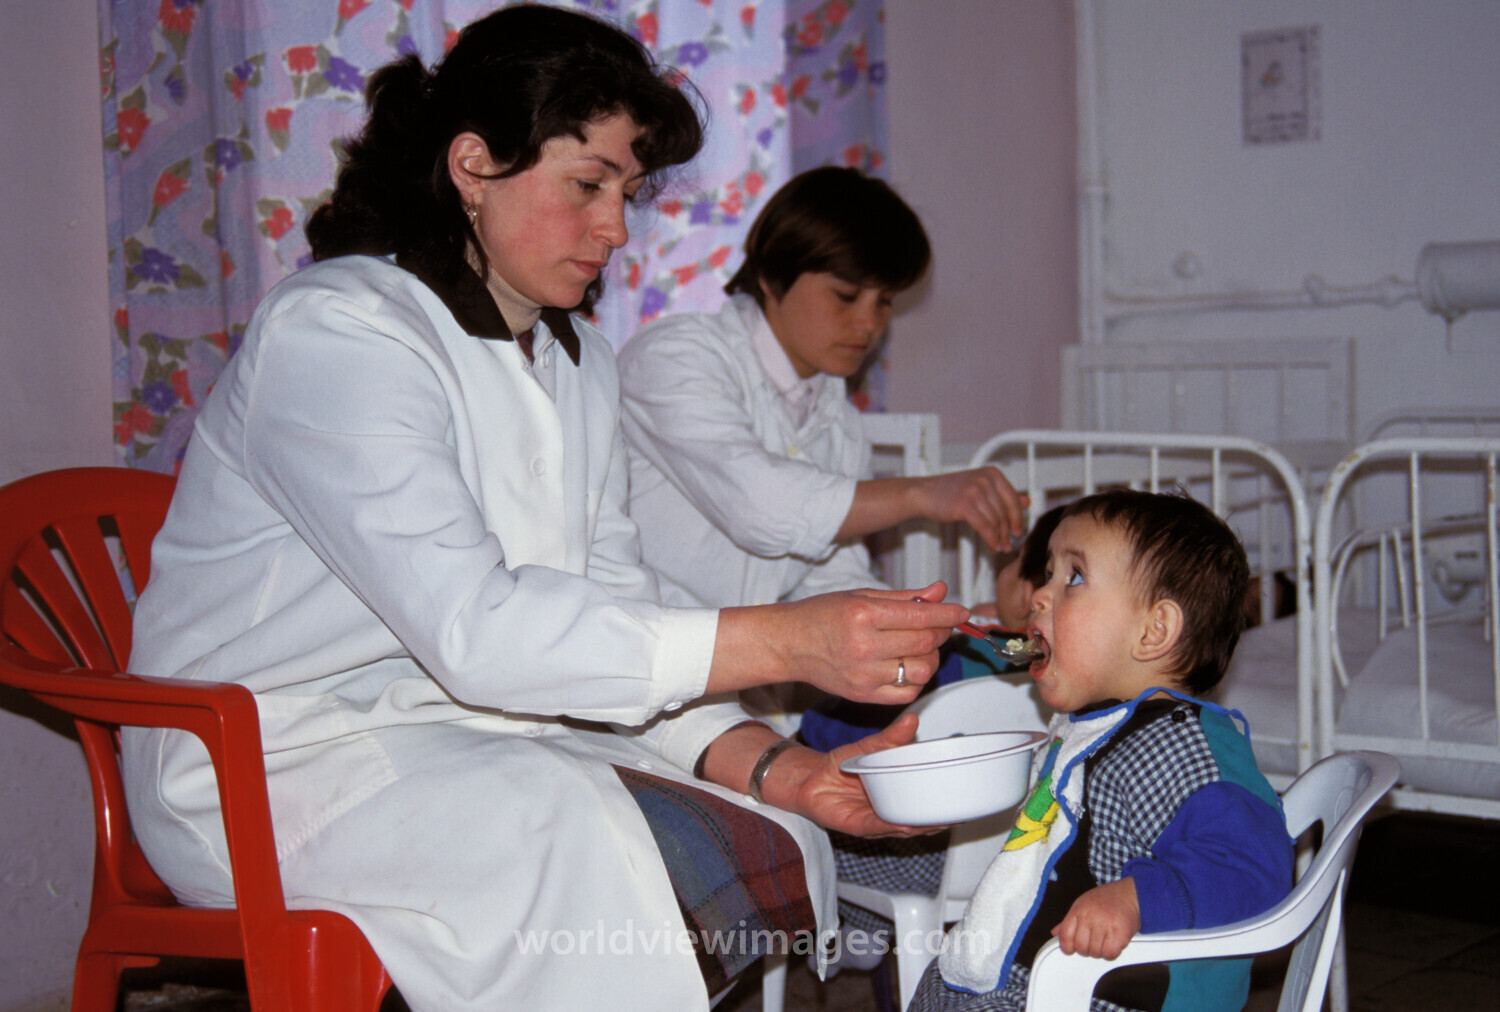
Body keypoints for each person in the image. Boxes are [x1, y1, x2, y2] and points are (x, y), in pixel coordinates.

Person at [118, 8, 970, 1011]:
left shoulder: (578, 365)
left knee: (765, 823)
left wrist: (778, 767)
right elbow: (480, 628)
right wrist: (786, 642)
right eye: (587, 186)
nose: (616, 227)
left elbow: (613, 608)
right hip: (271, 762)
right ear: (473, 167)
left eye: (630, 193)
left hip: (464, 732)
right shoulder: (339, 331)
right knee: (570, 828)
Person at [617, 166, 1027, 732]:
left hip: (748, 706)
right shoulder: (675, 357)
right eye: (845, 295)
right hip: (641, 685)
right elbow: (763, 508)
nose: (868, 323)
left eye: (884, 302)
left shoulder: (838, 423)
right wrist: (923, 493)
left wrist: (958, 623)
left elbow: (829, 578)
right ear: (770, 276)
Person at [910, 489, 1294, 1012]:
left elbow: (1256, 869)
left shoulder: (1188, 745)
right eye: (1046, 574)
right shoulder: (1093, 725)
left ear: (1154, 630)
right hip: (1049, 976)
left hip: (1122, 995)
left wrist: (1137, 899)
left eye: (1073, 578)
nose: (1040, 596)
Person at [798, 504, 1065, 753]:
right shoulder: (1064, 671)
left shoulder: (958, 650)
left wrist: (808, 734)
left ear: (1025, 597)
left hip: (868, 744)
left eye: (1017, 557)